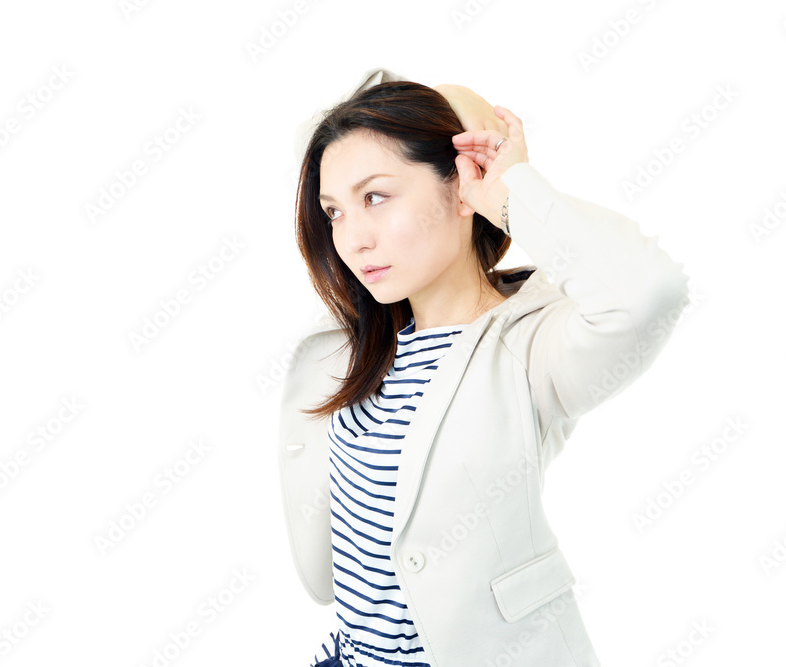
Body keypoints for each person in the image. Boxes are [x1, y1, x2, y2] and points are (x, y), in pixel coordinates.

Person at [281, 68, 691, 667]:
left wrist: (509, 192)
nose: (353, 239)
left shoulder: (530, 347)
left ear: (461, 190)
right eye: (334, 212)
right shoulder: (352, 349)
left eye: (375, 197)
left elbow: (647, 292)